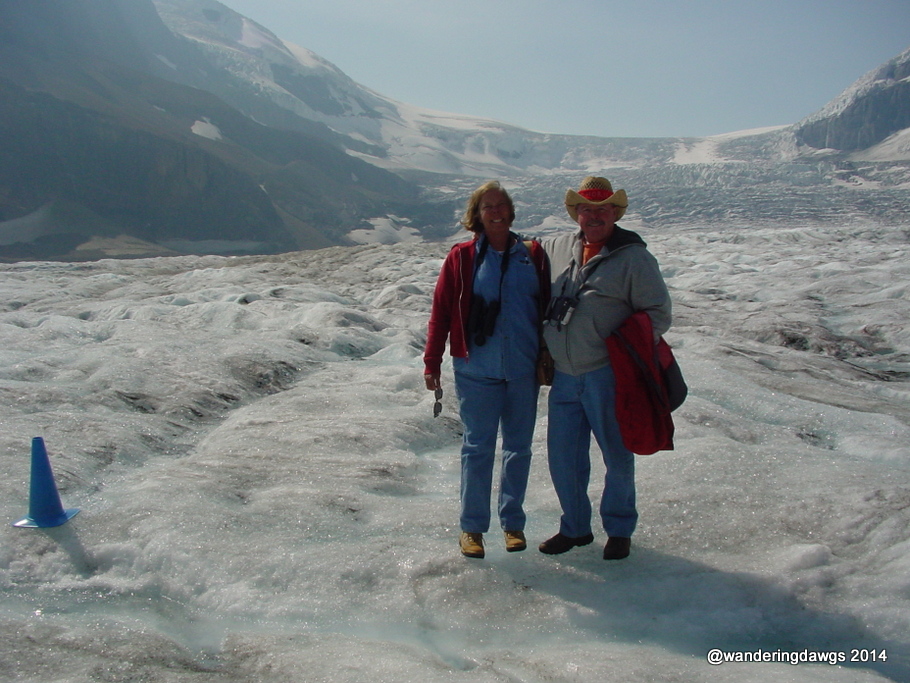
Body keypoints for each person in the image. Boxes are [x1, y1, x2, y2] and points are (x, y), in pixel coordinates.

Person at [538, 176, 671, 560]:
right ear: (575, 212)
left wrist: (626, 352)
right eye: (586, 208)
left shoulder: (634, 258)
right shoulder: (558, 247)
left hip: (607, 374)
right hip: (564, 375)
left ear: (615, 213)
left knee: (617, 454)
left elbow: (658, 313)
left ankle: (619, 528)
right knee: (563, 458)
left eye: (602, 209)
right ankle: (575, 528)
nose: (593, 216)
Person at [424, 180, 550, 559]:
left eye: (501, 205)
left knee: (518, 449)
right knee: (477, 448)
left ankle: (513, 524)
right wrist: (432, 361)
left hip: (522, 369)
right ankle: (472, 529)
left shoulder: (534, 255)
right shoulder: (461, 258)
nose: (495, 211)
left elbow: (548, 307)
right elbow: (441, 312)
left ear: (511, 212)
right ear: (476, 216)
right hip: (476, 369)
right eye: (487, 207)